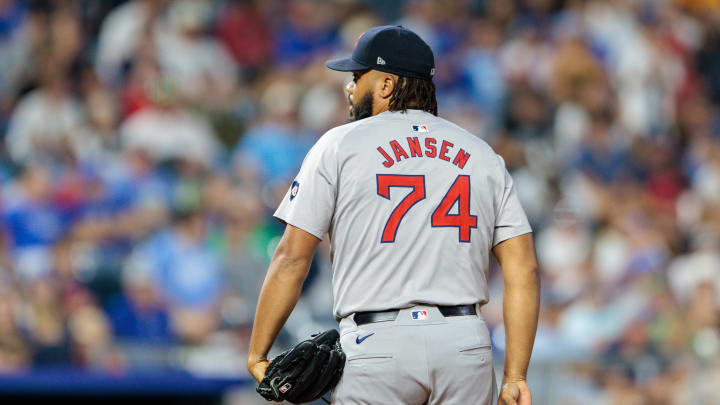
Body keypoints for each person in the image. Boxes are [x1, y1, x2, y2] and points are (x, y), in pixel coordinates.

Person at [247, 25, 540, 405]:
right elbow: (524, 270)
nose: (350, 88)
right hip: (464, 346)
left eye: (357, 76)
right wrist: (515, 375)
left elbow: (291, 258)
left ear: (386, 85)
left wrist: (258, 353)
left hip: (376, 345)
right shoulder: (482, 153)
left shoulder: (340, 145)